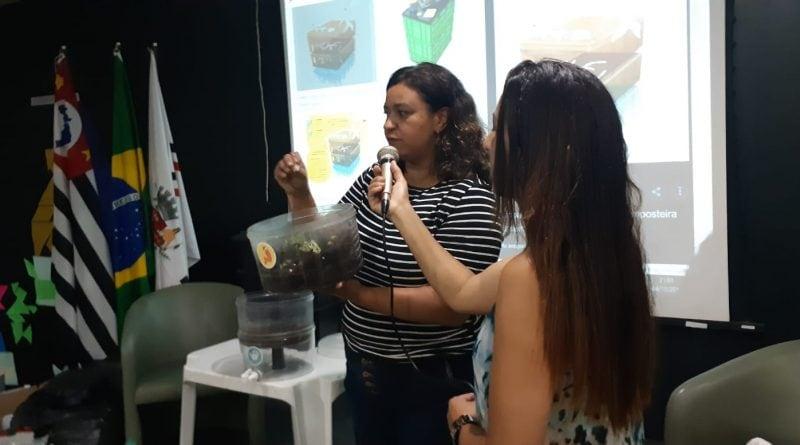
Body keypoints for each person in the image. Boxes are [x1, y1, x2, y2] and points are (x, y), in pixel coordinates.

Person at [366, 60, 655, 444]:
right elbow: (464, 293)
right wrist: (401, 209)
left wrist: (461, 424)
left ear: (542, 148)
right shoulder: (594, 257)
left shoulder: (532, 277)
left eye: (501, 127)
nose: (487, 141)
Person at [274, 62, 503, 445]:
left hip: (433, 380)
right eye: (386, 113)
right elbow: (323, 248)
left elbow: (454, 304)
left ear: (440, 119)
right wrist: (299, 193)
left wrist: (360, 296)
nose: (388, 124)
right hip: (366, 370)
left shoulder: (470, 196)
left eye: (403, 113)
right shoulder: (375, 178)